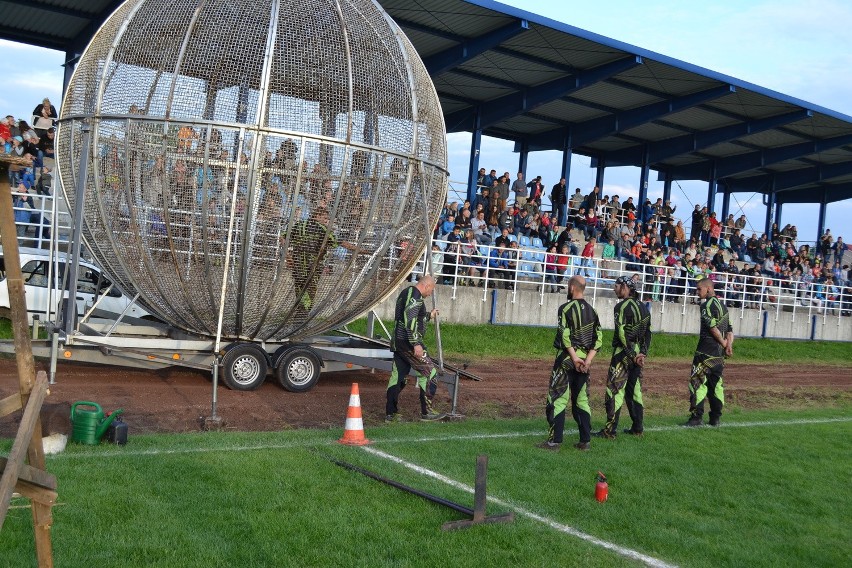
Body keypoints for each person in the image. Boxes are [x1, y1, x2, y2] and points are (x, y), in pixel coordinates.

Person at [538, 276, 602, 451]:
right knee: (581, 401)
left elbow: (565, 336)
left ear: (573, 288)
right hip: (584, 365)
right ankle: (585, 441)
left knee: (558, 399)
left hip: (566, 360)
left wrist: (574, 358)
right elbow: (598, 340)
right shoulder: (592, 311)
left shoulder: (565, 308)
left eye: (568, 286)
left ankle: (554, 442)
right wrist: (587, 361)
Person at [593, 276, 651, 438]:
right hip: (638, 353)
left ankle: (610, 430)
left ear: (625, 287)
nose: (614, 289)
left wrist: (631, 354)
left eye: (616, 286)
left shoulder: (621, 306)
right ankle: (638, 427)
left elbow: (622, 332)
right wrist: (642, 353)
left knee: (614, 390)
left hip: (623, 353)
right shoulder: (644, 307)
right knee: (635, 391)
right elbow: (648, 333)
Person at [386, 275, 446, 422]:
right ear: (426, 286)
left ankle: (390, 414)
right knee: (430, 373)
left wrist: (429, 315)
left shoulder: (407, 293)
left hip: (399, 342)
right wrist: (416, 343)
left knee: (398, 377)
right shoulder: (415, 296)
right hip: (408, 343)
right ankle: (427, 412)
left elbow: (414, 317)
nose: (430, 293)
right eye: (431, 290)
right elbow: (409, 319)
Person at [289, 206, 357, 315]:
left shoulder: (298, 225)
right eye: (325, 218)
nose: (326, 221)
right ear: (318, 216)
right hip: (312, 268)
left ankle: (298, 318)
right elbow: (340, 242)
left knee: (301, 293)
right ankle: (301, 319)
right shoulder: (322, 229)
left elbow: (283, 237)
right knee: (309, 294)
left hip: (298, 267)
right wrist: (359, 249)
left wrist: (288, 257)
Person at [685, 278, 734, 427]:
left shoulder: (705, 305)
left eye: (699, 289)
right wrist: (728, 345)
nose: (697, 292)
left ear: (708, 289)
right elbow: (730, 329)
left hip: (705, 351)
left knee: (697, 383)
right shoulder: (723, 306)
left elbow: (712, 327)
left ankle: (696, 418)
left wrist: (723, 342)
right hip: (719, 355)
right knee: (716, 385)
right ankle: (715, 418)